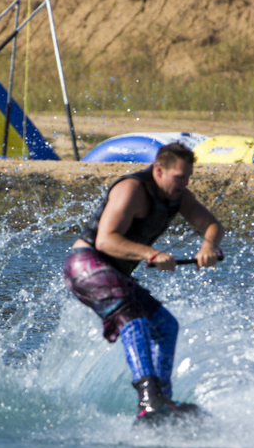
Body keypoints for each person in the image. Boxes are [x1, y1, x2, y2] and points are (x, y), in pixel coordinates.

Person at [62, 142, 224, 419]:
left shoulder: (179, 196)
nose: (184, 183)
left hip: (113, 275)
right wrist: (152, 253)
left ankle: (164, 399)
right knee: (133, 317)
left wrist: (208, 245)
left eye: (188, 178)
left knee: (165, 325)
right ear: (159, 170)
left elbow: (212, 225)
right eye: (179, 177)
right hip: (84, 263)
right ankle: (148, 400)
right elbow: (106, 239)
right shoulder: (132, 190)